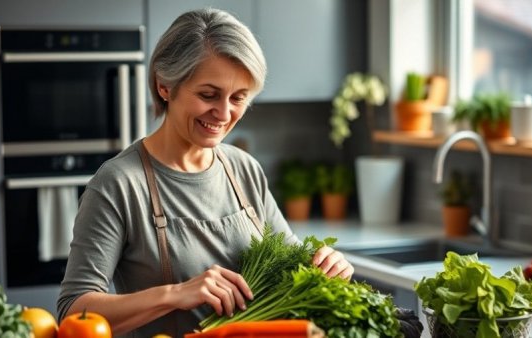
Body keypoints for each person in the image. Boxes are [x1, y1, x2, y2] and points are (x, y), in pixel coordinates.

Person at [57, 7, 354, 337]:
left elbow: (291, 263)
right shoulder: (119, 184)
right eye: (208, 95)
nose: (224, 113)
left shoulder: (243, 170)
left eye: (238, 97)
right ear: (165, 86)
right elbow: (73, 311)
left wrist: (324, 265)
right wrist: (176, 294)